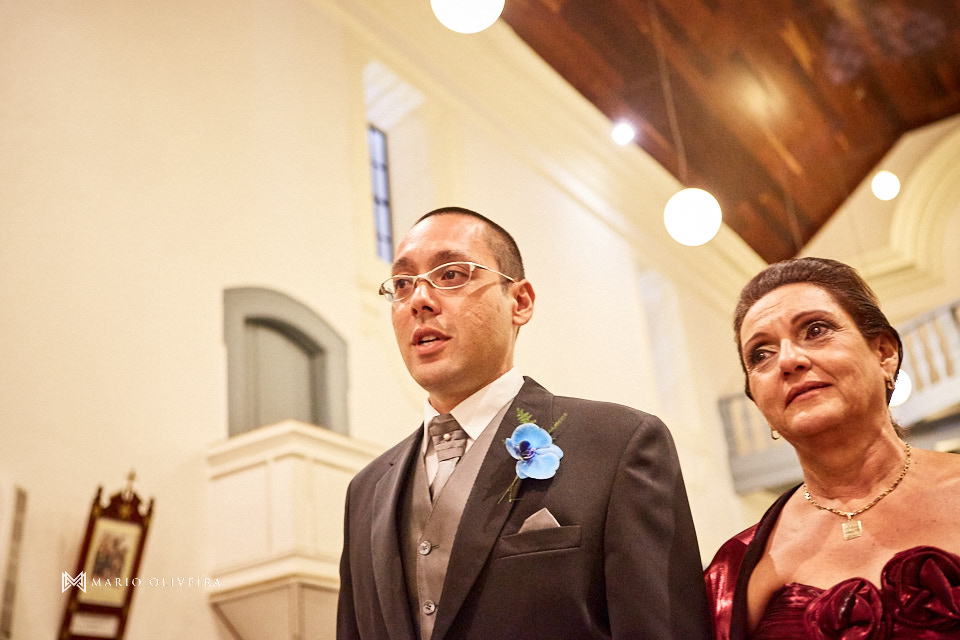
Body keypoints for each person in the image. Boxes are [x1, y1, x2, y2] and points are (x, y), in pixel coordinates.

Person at [337, 207, 711, 640]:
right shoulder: (365, 492)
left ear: (520, 301)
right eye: (402, 285)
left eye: (452, 274)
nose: (419, 300)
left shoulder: (619, 445)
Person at [705, 257, 960, 639]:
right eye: (761, 354)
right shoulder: (736, 568)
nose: (788, 360)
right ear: (759, 403)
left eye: (816, 329)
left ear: (884, 354)